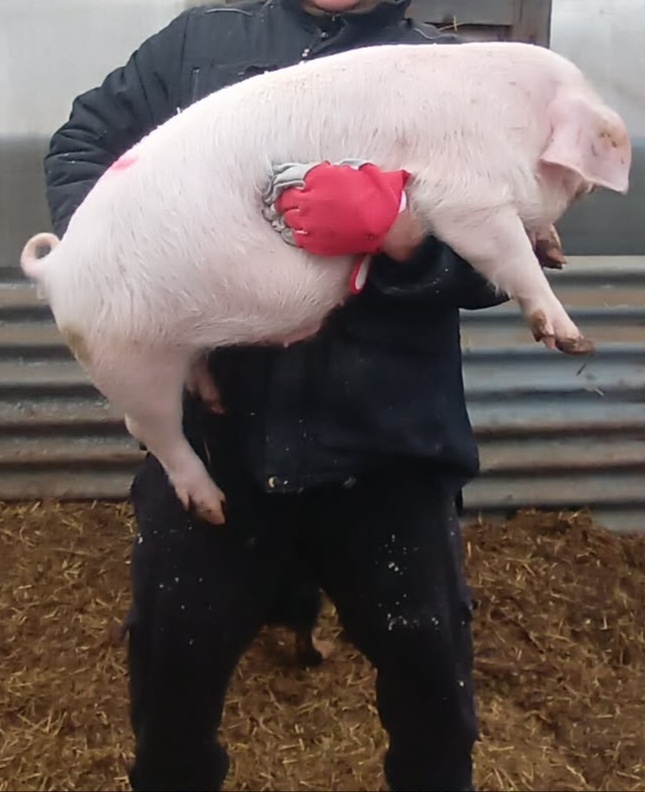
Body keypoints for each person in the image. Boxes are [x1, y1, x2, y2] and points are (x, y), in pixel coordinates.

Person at [43, 1, 515, 789]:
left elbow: (506, 248)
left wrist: (404, 240)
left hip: (387, 445)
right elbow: (83, 145)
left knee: (431, 691)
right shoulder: (203, 42)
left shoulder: (443, 72)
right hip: (218, 446)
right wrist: (136, 280)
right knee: (171, 691)